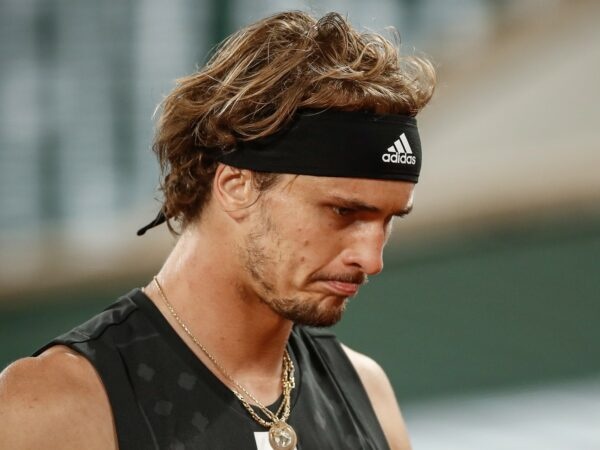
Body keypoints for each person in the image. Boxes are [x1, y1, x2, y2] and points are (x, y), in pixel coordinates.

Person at [0, 10, 435, 450]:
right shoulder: (55, 404)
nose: (372, 259)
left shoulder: (368, 392)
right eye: (342, 212)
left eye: (388, 221)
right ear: (236, 185)